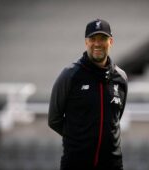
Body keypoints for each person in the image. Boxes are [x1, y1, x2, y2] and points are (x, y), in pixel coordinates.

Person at [48, 19, 128, 170]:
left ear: (110, 41)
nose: (97, 44)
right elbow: (54, 119)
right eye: (92, 39)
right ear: (86, 42)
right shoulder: (70, 75)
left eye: (102, 39)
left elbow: (115, 119)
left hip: (112, 165)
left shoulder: (121, 78)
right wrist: (78, 138)